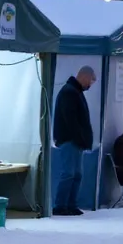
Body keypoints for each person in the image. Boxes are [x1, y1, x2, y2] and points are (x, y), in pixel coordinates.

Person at [52, 65, 96, 216]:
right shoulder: (70, 92)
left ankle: (70, 205)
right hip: (70, 140)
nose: (90, 84)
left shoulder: (74, 91)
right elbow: (71, 120)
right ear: (84, 76)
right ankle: (60, 206)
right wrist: (80, 138)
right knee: (69, 173)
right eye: (91, 80)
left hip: (75, 141)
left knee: (76, 174)